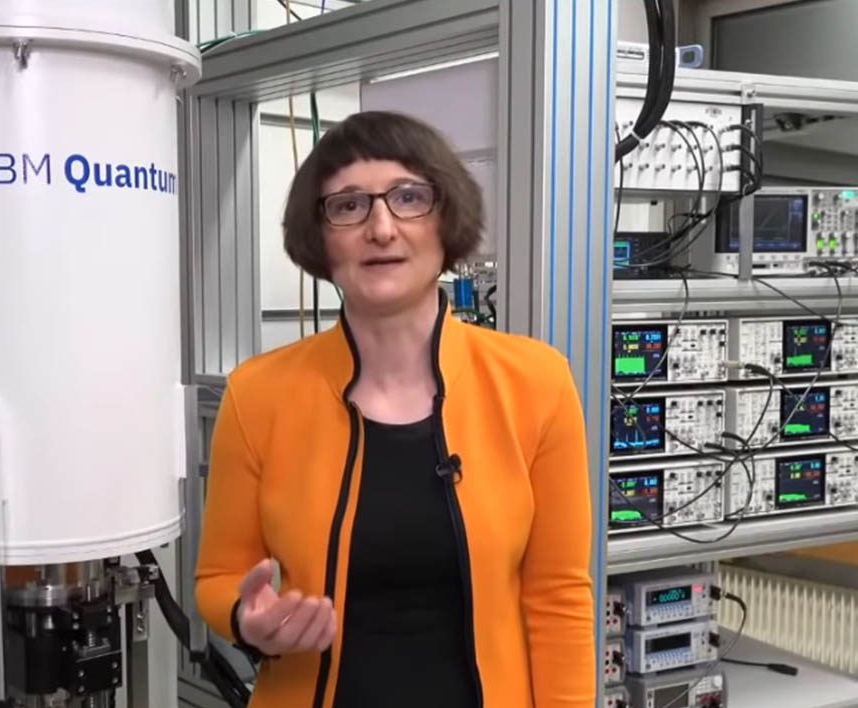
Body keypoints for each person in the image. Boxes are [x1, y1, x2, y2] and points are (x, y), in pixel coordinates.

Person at [194, 110, 595, 708]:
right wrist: (247, 620)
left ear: (447, 218)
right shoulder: (258, 394)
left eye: (409, 198)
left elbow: (559, 597)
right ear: (319, 237)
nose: (381, 228)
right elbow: (218, 577)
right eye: (349, 206)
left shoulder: (536, 382)